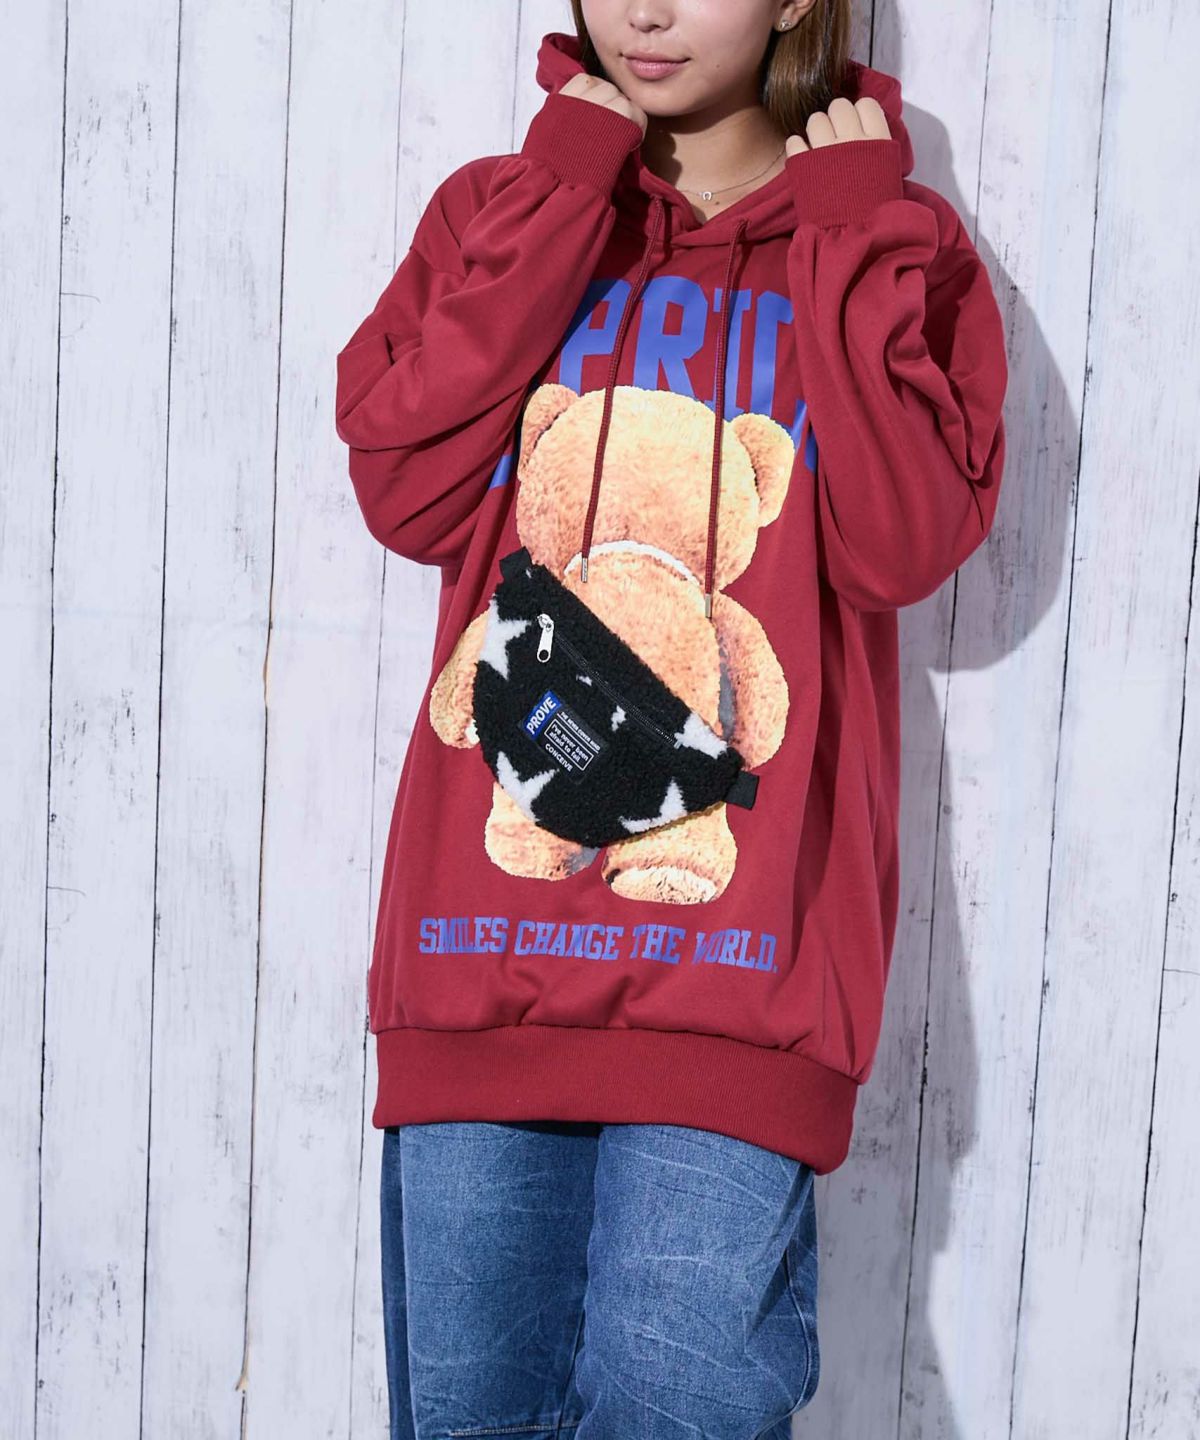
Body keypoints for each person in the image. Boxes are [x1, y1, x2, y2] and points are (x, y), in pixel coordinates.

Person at [334, 1, 1008, 1435]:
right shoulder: (504, 207)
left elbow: (902, 543)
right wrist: (565, 190)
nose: (644, 10)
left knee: (682, 1395)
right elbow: (406, 489)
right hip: (478, 968)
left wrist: (847, 230)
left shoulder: (892, 239)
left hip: (743, 990)